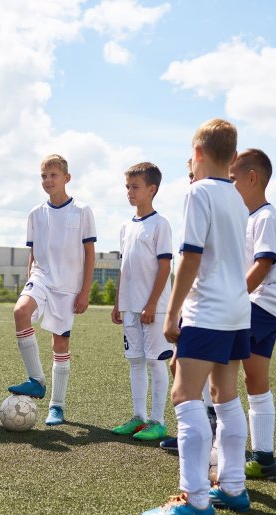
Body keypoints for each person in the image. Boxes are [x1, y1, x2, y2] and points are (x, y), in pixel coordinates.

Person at [141, 119, 251, 515]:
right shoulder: (238, 198)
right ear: (234, 158)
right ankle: (234, 488)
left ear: (199, 154)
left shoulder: (197, 192)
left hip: (207, 312)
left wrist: (173, 311)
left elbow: (190, 256)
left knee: (185, 397)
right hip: (239, 312)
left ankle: (196, 498)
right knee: (226, 398)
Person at [7, 154, 96, 426]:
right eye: (44, 176)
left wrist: (84, 291)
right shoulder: (35, 213)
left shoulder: (82, 210)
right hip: (41, 277)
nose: (48, 180)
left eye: (53, 175)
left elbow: (89, 253)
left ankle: (56, 406)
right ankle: (36, 380)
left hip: (68, 286)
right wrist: (30, 275)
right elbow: (33, 250)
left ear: (66, 178)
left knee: (60, 343)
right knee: (20, 311)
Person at [229, 149, 276, 479]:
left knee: (218, 369)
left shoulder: (265, 217)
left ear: (252, 178)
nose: (229, 185)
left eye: (233, 179)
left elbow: (263, 264)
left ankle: (219, 447)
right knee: (254, 379)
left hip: (259, 305)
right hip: (267, 308)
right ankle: (264, 458)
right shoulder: (250, 218)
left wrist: (233, 298)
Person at [110, 162, 174, 441]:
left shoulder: (160, 225)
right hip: (130, 306)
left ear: (152, 189)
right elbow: (124, 268)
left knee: (155, 362)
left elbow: (164, 267)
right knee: (135, 361)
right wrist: (118, 302)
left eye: (135, 187)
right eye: (127, 187)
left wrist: (151, 303)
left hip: (154, 308)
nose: (129, 192)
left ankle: (158, 421)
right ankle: (139, 417)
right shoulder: (126, 227)